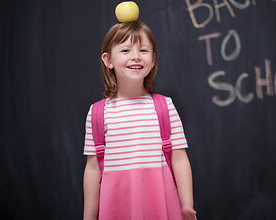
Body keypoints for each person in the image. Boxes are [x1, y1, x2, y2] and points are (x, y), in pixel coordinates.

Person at [83, 21, 197, 220]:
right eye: (125, 50)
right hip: (116, 203)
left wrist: (187, 204)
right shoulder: (97, 113)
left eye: (143, 50)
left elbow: (179, 159)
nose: (135, 56)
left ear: (153, 59)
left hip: (159, 200)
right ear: (107, 60)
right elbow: (93, 169)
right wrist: (88, 216)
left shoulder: (164, 106)